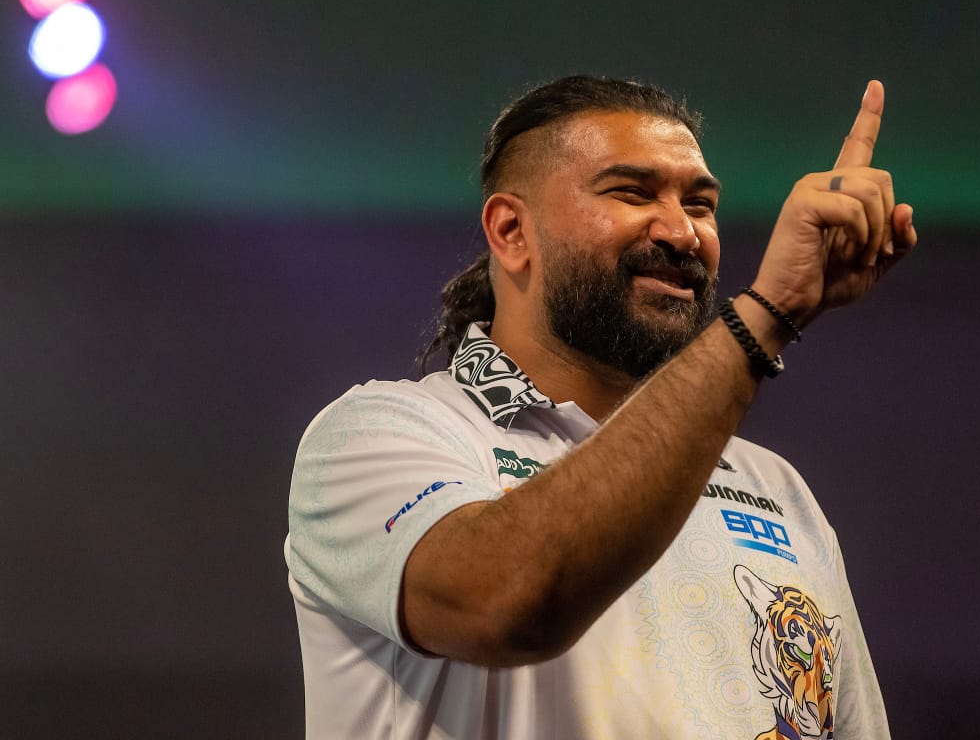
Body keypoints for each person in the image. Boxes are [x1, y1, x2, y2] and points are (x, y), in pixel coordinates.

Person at [285, 74, 916, 739]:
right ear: (511, 230)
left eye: (700, 204)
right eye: (632, 193)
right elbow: (505, 602)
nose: (683, 232)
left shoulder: (776, 489)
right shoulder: (378, 435)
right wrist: (765, 316)